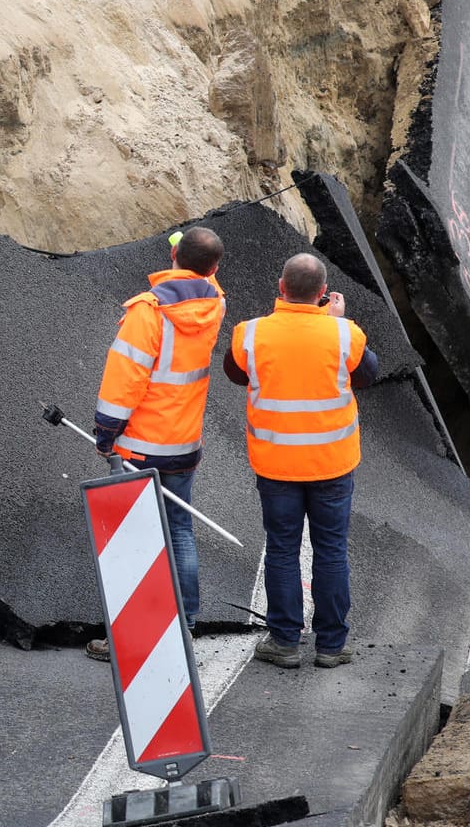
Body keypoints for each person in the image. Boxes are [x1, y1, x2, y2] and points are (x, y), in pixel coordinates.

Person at [224, 253, 379, 669]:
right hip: (331, 464)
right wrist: (336, 320)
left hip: (276, 465)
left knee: (282, 550)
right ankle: (331, 646)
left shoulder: (250, 334)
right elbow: (366, 375)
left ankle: (285, 642)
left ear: (281, 287)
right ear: (324, 294)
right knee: (331, 551)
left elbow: (236, 374)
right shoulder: (345, 334)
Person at [88, 227, 227, 655]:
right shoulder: (213, 304)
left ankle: (127, 639)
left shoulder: (148, 312)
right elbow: (205, 277)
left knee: (133, 538)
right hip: (183, 443)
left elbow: (124, 380)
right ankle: (184, 625)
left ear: (174, 258)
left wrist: (105, 431)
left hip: (140, 445)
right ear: (214, 268)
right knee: (179, 530)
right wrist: (186, 262)